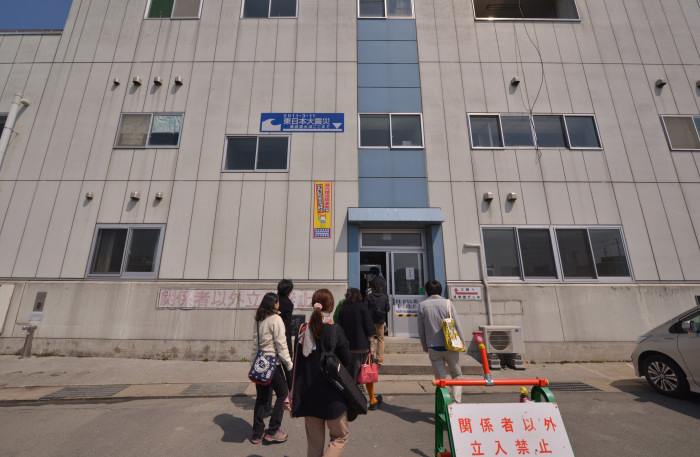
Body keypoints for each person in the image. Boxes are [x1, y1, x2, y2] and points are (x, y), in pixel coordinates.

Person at [292, 289, 352, 457]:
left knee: (314, 446)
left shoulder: (303, 330)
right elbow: (346, 361)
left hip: (309, 396)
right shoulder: (335, 331)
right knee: (339, 437)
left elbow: (297, 363)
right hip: (333, 397)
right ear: (331, 307)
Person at [250, 292, 293, 444]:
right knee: (283, 394)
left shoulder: (259, 319)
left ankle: (257, 433)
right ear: (274, 304)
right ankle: (273, 430)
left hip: (260, 363)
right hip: (273, 363)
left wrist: (253, 363)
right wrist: (289, 363)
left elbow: (255, 344)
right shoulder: (276, 319)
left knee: (261, 398)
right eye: (277, 302)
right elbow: (281, 344)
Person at [417, 280, 465, 403]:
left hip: (433, 347)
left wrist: (425, 346)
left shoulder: (422, 305)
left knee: (440, 379)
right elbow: (457, 325)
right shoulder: (448, 303)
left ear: (427, 291)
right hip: (451, 345)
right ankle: (456, 403)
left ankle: (444, 404)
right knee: (457, 375)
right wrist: (462, 342)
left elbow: (421, 330)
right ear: (440, 290)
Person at [337, 288, 381, 410]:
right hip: (363, 347)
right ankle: (372, 400)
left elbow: (340, 327)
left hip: (348, 348)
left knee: (350, 376)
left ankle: (351, 401)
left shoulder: (343, 309)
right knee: (367, 373)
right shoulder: (362, 307)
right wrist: (372, 346)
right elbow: (369, 327)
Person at [365, 277, 389, 365]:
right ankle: (379, 358)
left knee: (370, 338)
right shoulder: (384, 297)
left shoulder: (369, 297)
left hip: (370, 321)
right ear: (381, 288)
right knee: (380, 338)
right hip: (380, 320)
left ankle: (369, 357)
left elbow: (365, 308)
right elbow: (388, 309)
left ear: (372, 288)